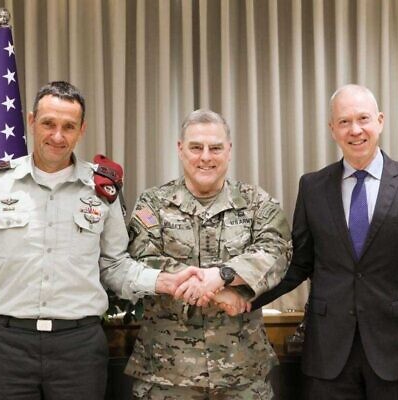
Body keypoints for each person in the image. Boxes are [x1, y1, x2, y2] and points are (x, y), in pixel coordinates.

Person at [0, 81, 202, 400]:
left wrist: (164, 282)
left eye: (68, 126)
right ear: (33, 121)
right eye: (49, 124)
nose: (58, 136)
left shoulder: (101, 190)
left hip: (78, 348)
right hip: (8, 347)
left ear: (82, 130)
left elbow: (115, 267)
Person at [253, 84, 398, 399]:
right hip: (328, 352)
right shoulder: (313, 187)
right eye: (344, 121)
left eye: (363, 119)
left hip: (396, 352)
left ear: (380, 121)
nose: (355, 130)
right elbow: (298, 263)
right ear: (332, 129)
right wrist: (246, 297)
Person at [125, 109, 292, 399]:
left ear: (229, 151)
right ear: (180, 149)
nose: (205, 157)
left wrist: (222, 275)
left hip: (242, 372)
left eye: (215, 148)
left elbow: (277, 251)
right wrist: (218, 289)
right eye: (196, 147)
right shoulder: (152, 202)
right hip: (167, 373)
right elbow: (141, 256)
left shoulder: (256, 202)